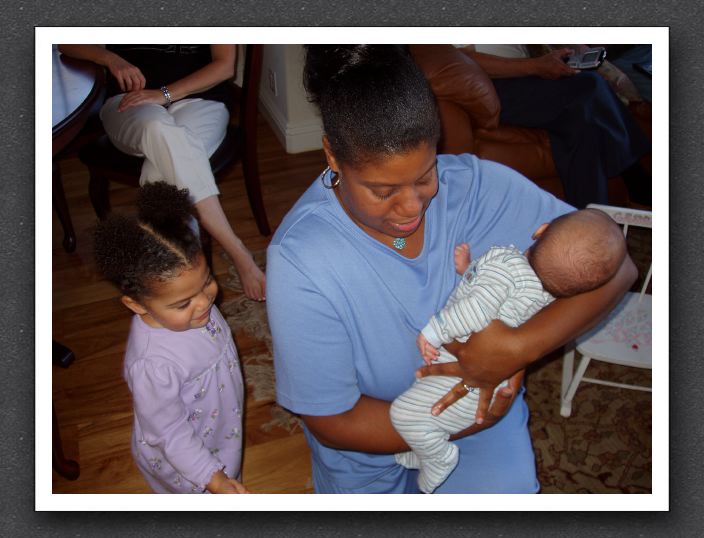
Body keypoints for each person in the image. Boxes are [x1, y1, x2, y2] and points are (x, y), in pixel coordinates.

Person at [266, 45, 636, 494]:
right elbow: (332, 419)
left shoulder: (477, 186)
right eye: (382, 191)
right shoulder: (299, 258)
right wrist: (451, 429)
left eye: (424, 176)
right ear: (332, 156)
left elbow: (619, 268)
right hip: (369, 449)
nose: (411, 207)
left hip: (478, 413)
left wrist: (516, 347)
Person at [391, 208, 627, 493]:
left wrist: (432, 331)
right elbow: (492, 290)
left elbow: (475, 309)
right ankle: (423, 445)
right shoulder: (550, 297)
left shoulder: (507, 262)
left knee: (403, 414)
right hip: (491, 380)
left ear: (540, 230)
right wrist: (468, 269)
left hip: (465, 375)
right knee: (423, 408)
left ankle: (439, 458)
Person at [58, 44, 266, 301]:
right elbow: (67, 41)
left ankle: (177, 292)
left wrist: (163, 94)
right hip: (129, 102)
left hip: (202, 100)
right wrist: (111, 59)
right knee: (159, 129)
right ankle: (236, 251)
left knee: (163, 169)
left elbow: (224, 66)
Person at [93, 181, 248, 494]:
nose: (204, 303)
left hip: (219, 431)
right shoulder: (153, 364)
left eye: (207, 283)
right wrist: (214, 479)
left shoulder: (194, 307)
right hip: (185, 465)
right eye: (182, 303)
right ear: (136, 305)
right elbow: (169, 433)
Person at [453, 44, 652, 208]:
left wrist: (572, 50)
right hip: (490, 85)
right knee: (589, 86)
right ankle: (633, 174)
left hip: (526, 74)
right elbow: (463, 59)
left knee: (583, 121)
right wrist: (535, 66)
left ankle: (589, 220)